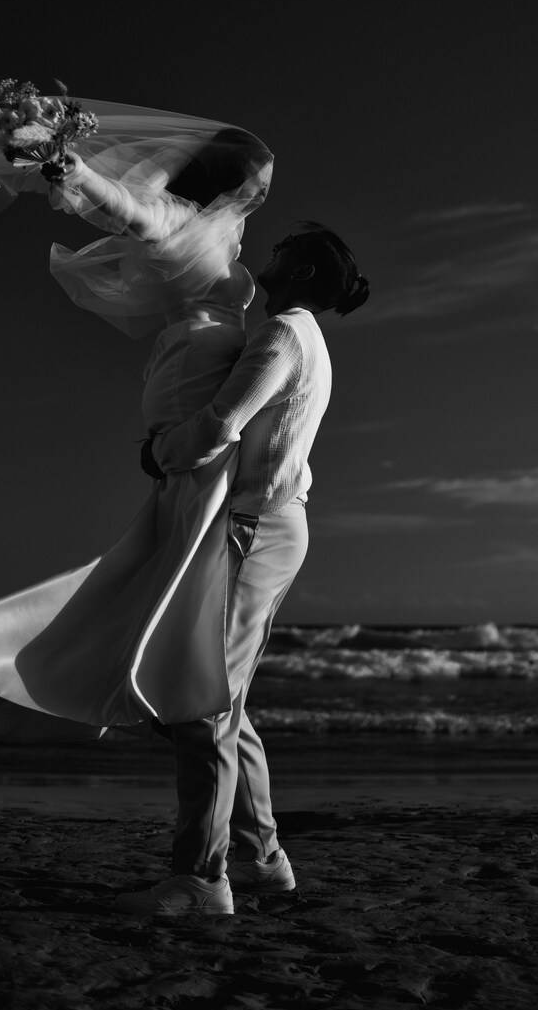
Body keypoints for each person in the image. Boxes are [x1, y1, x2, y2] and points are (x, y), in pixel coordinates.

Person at [0, 94, 277, 732]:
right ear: (229, 177)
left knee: (174, 542)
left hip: (197, 369)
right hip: (192, 376)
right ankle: (148, 675)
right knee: (184, 537)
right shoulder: (175, 217)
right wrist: (73, 170)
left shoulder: (225, 228)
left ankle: (151, 670)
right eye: (259, 177)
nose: (265, 188)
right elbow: (127, 209)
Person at [112, 223, 370, 917]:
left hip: (257, 530)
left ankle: (201, 877)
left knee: (203, 707)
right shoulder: (295, 334)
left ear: (305, 274)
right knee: (221, 702)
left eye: (282, 254)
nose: (267, 259)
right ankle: (260, 859)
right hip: (263, 526)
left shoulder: (282, 335)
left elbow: (223, 422)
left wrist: (160, 451)